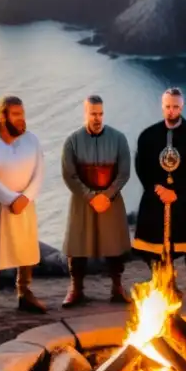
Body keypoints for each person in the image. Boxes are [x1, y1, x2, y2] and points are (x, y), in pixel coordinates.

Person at [132, 87, 186, 304]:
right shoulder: (148, 135)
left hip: (185, 198)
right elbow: (141, 166)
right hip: (155, 197)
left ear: (182, 106)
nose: (171, 111)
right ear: (162, 106)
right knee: (154, 247)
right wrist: (158, 188)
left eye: (175, 106)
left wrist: (177, 190)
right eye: (167, 106)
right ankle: (167, 284)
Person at [0, 95, 46, 317]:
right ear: (1, 117)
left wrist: (25, 198)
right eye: (16, 115)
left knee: (25, 249)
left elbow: (39, 172)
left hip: (26, 204)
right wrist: (11, 199)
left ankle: (24, 293)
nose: (21, 119)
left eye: (22, 114)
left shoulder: (32, 140)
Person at [61, 95, 132, 307]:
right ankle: (76, 289)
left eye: (100, 113)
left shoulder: (119, 139)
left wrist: (107, 195)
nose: (97, 118)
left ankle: (117, 287)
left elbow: (124, 172)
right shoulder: (72, 141)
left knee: (115, 246)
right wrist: (91, 196)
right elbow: (69, 174)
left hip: (111, 200)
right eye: (93, 114)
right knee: (77, 246)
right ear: (85, 113)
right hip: (83, 201)